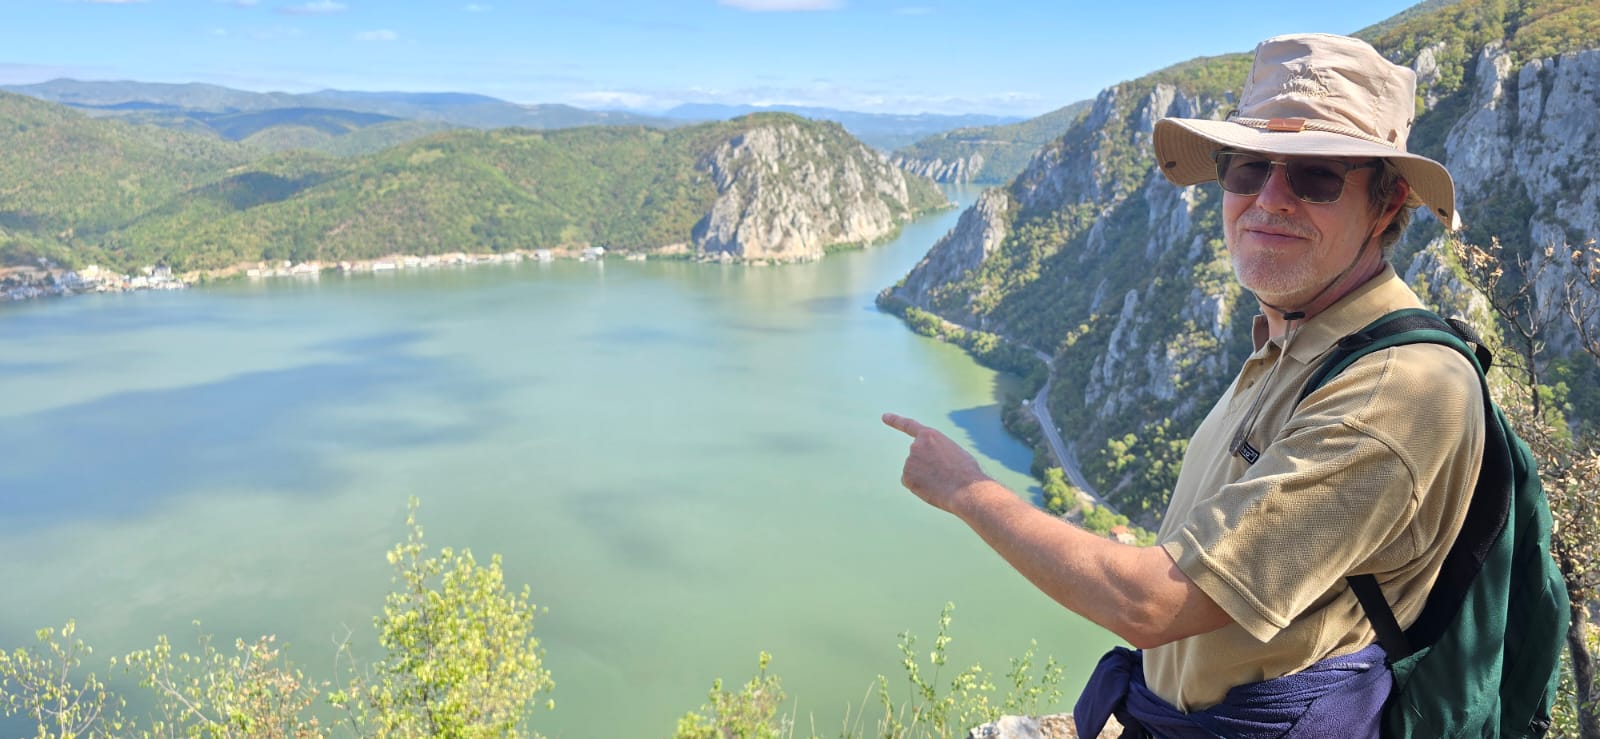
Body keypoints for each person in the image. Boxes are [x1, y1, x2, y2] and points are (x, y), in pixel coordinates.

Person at [883, 33, 1481, 737]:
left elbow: (1151, 604)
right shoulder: (1302, 341)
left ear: (1386, 203)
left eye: (1316, 175)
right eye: (1246, 167)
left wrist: (967, 489)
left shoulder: (1396, 389)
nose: (1269, 199)